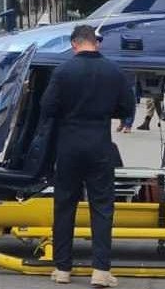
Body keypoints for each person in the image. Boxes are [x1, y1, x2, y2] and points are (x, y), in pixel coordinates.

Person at [41, 25, 133, 287]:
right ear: (97, 43)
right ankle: (101, 271)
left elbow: (47, 107)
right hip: (100, 144)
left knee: (64, 205)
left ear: (74, 44)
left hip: (69, 145)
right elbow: (126, 107)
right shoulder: (114, 71)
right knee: (102, 207)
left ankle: (62, 269)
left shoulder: (63, 71)